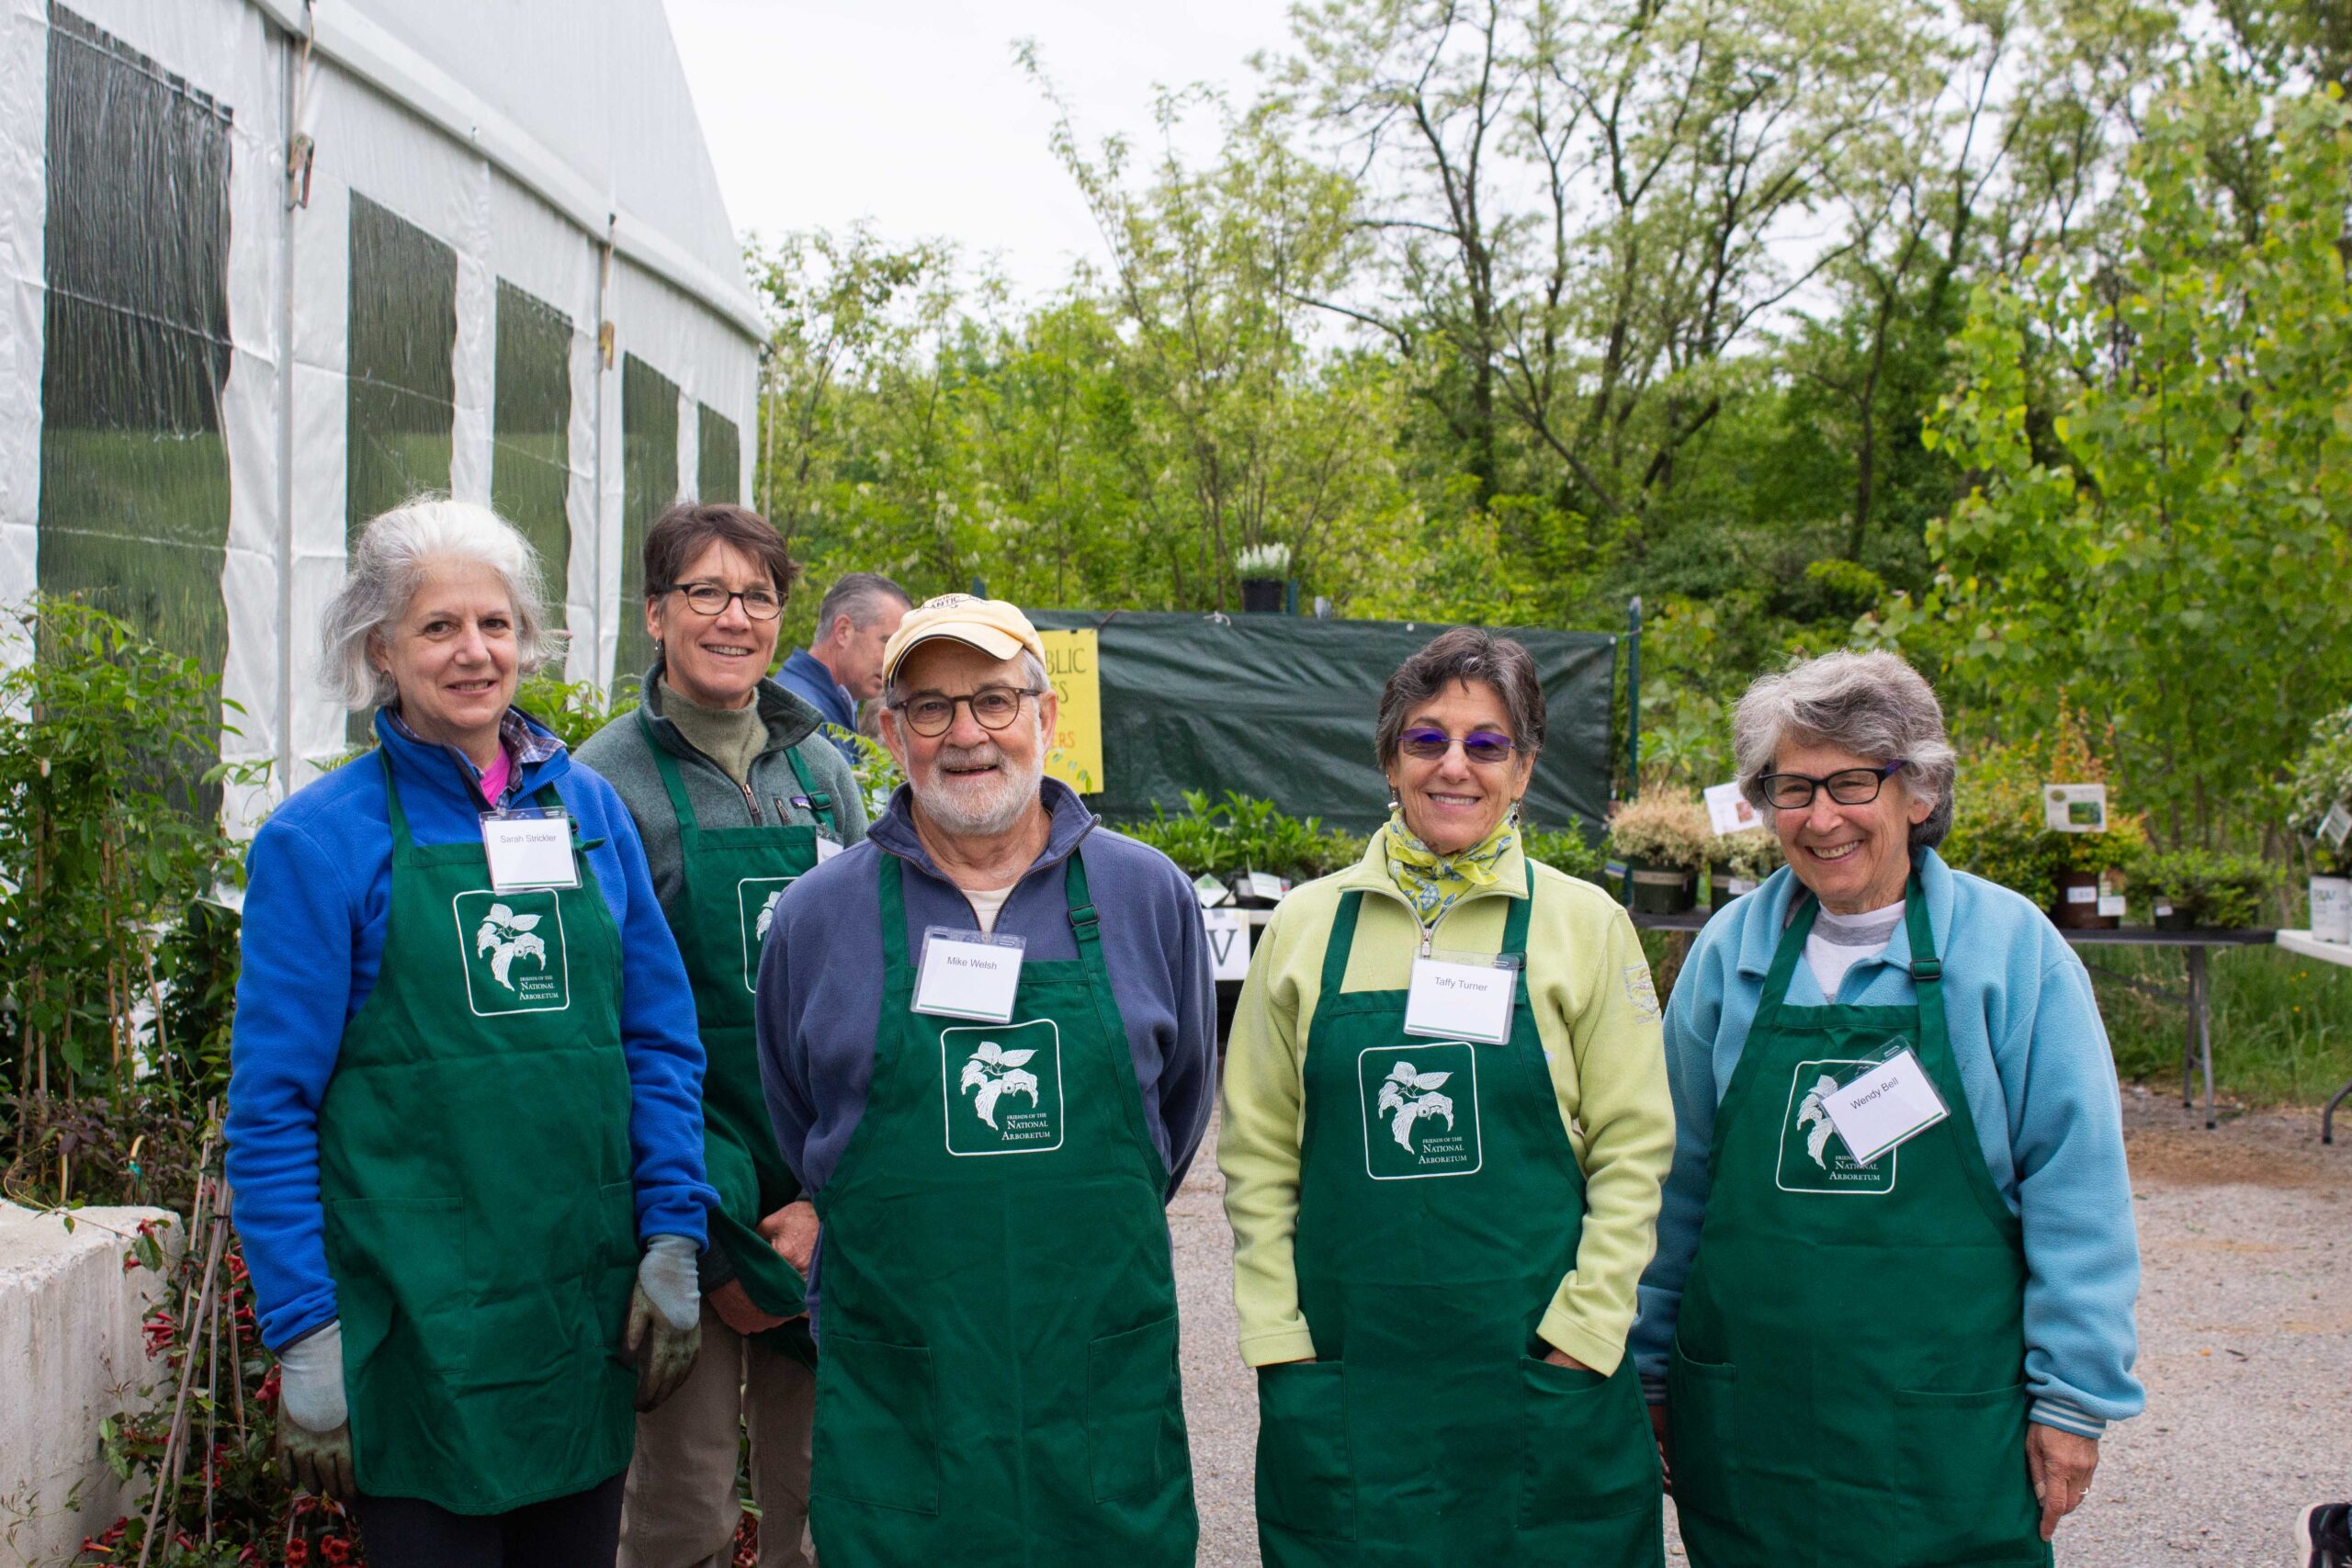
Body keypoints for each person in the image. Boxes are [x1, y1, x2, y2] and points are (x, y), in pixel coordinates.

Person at [225, 499, 713, 1567]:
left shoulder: (587, 812)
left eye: (495, 624)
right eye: (437, 627)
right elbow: (270, 1111)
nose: (473, 651)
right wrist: (305, 1328)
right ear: (380, 650)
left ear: (526, 640)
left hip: (577, 1312)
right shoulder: (320, 843)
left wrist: (675, 1228)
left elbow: (660, 1043)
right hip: (420, 1322)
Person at [1633, 649, 2143, 1567]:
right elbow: (1674, 1186)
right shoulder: (1728, 954)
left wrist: (2072, 1399)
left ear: (1917, 791)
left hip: (1945, 1433)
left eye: (1852, 782)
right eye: (1792, 789)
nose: (1820, 818)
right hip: (1756, 1424)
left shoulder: (2008, 952)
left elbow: (2080, 1195)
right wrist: (1651, 1364)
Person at [755, 594, 1216, 1568]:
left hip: (1094, 1388)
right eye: (930, 707)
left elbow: (1171, 1125)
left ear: (1046, 718)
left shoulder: (1149, 897)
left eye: (995, 701)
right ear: (888, 732)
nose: (967, 734)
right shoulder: (814, 919)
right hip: (904, 1403)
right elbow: (800, 1120)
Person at [1219, 626, 1674, 1567]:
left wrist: (1584, 1334)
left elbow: (1634, 1149)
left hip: (1532, 1374)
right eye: (1426, 739)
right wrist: (1277, 1335)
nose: (1453, 766)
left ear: (1525, 765)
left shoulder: (1583, 924)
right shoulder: (1306, 928)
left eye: (1485, 743)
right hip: (1351, 1379)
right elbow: (1257, 1153)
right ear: (1390, 758)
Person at [576, 502, 866, 1568]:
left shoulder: (820, 774)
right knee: (680, 1505)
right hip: (675, 1193)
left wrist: (819, 1201)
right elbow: (600, 1026)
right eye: (704, 593)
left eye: (757, 596)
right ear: (656, 613)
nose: (733, 618)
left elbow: (867, 989)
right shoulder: (601, 783)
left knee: (819, 1492)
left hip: (813, 1194)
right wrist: (696, 1217)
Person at [775, 571, 910, 761]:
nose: (894, 662)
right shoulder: (800, 712)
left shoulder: (835, 701)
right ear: (843, 632)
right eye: (887, 643)